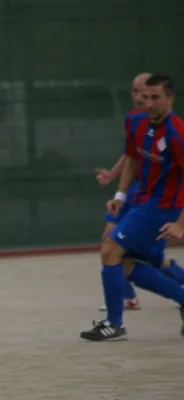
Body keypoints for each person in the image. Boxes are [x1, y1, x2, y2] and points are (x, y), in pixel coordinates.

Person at [81, 74, 184, 341]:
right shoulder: (136, 122)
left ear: (169, 98)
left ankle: (114, 325)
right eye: (143, 96)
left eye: (155, 98)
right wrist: (120, 195)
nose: (147, 103)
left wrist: (180, 224)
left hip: (162, 208)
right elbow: (132, 159)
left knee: (110, 249)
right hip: (140, 202)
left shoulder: (177, 133)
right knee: (125, 262)